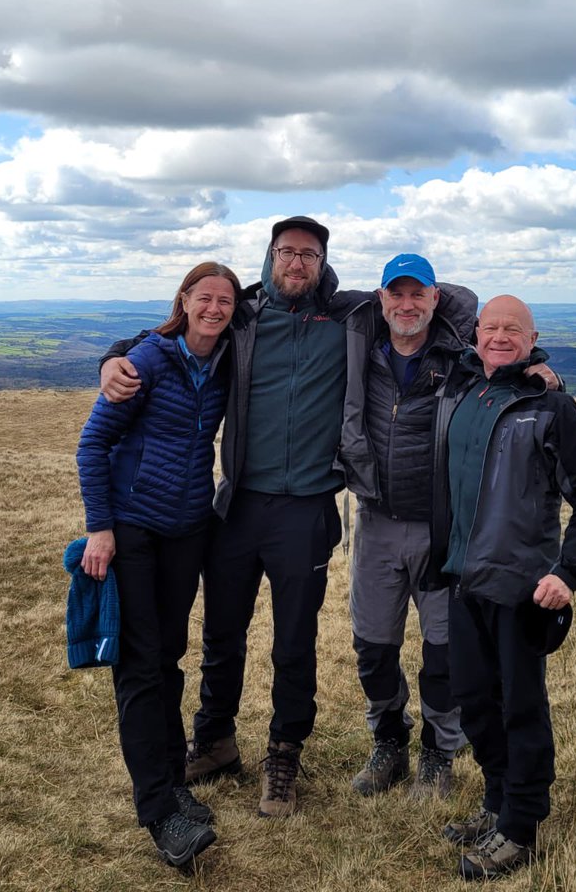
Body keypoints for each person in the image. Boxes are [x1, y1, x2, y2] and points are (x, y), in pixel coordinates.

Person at [100, 217, 374, 818]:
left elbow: (448, 305)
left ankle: (283, 755)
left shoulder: (355, 316)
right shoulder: (244, 316)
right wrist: (112, 356)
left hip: (305, 510)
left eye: (309, 254)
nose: (296, 263)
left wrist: (532, 357)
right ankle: (216, 739)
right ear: (270, 256)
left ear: (324, 261)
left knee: (294, 644)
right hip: (237, 506)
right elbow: (172, 332)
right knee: (222, 633)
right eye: (286, 252)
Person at [349, 260, 561, 801]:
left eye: (416, 294)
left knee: (444, 653)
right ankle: (389, 739)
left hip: (442, 529)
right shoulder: (360, 347)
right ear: (381, 298)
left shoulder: (458, 359)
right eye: (396, 294)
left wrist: (538, 366)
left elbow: (504, 354)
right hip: (375, 521)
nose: (406, 305)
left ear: (435, 298)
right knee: (373, 647)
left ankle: (439, 751)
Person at [430, 295, 576, 880]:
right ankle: (495, 804)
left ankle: (521, 827)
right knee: (476, 701)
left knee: (521, 708)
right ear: (474, 332)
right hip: (462, 579)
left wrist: (567, 572)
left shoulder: (551, 406)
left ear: (534, 337)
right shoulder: (462, 388)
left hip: (522, 589)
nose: (500, 336)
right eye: (491, 326)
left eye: (514, 328)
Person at [76, 261, 240, 867]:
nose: (216, 308)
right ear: (185, 300)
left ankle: (173, 778)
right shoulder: (148, 359)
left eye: (225, 300)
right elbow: (92, 443)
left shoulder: (226, 362)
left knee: (169, 655)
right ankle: (159, 811)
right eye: (205, 297)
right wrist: (101, 528)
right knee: (142, 667)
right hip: (135, 529)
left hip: (188, 531)